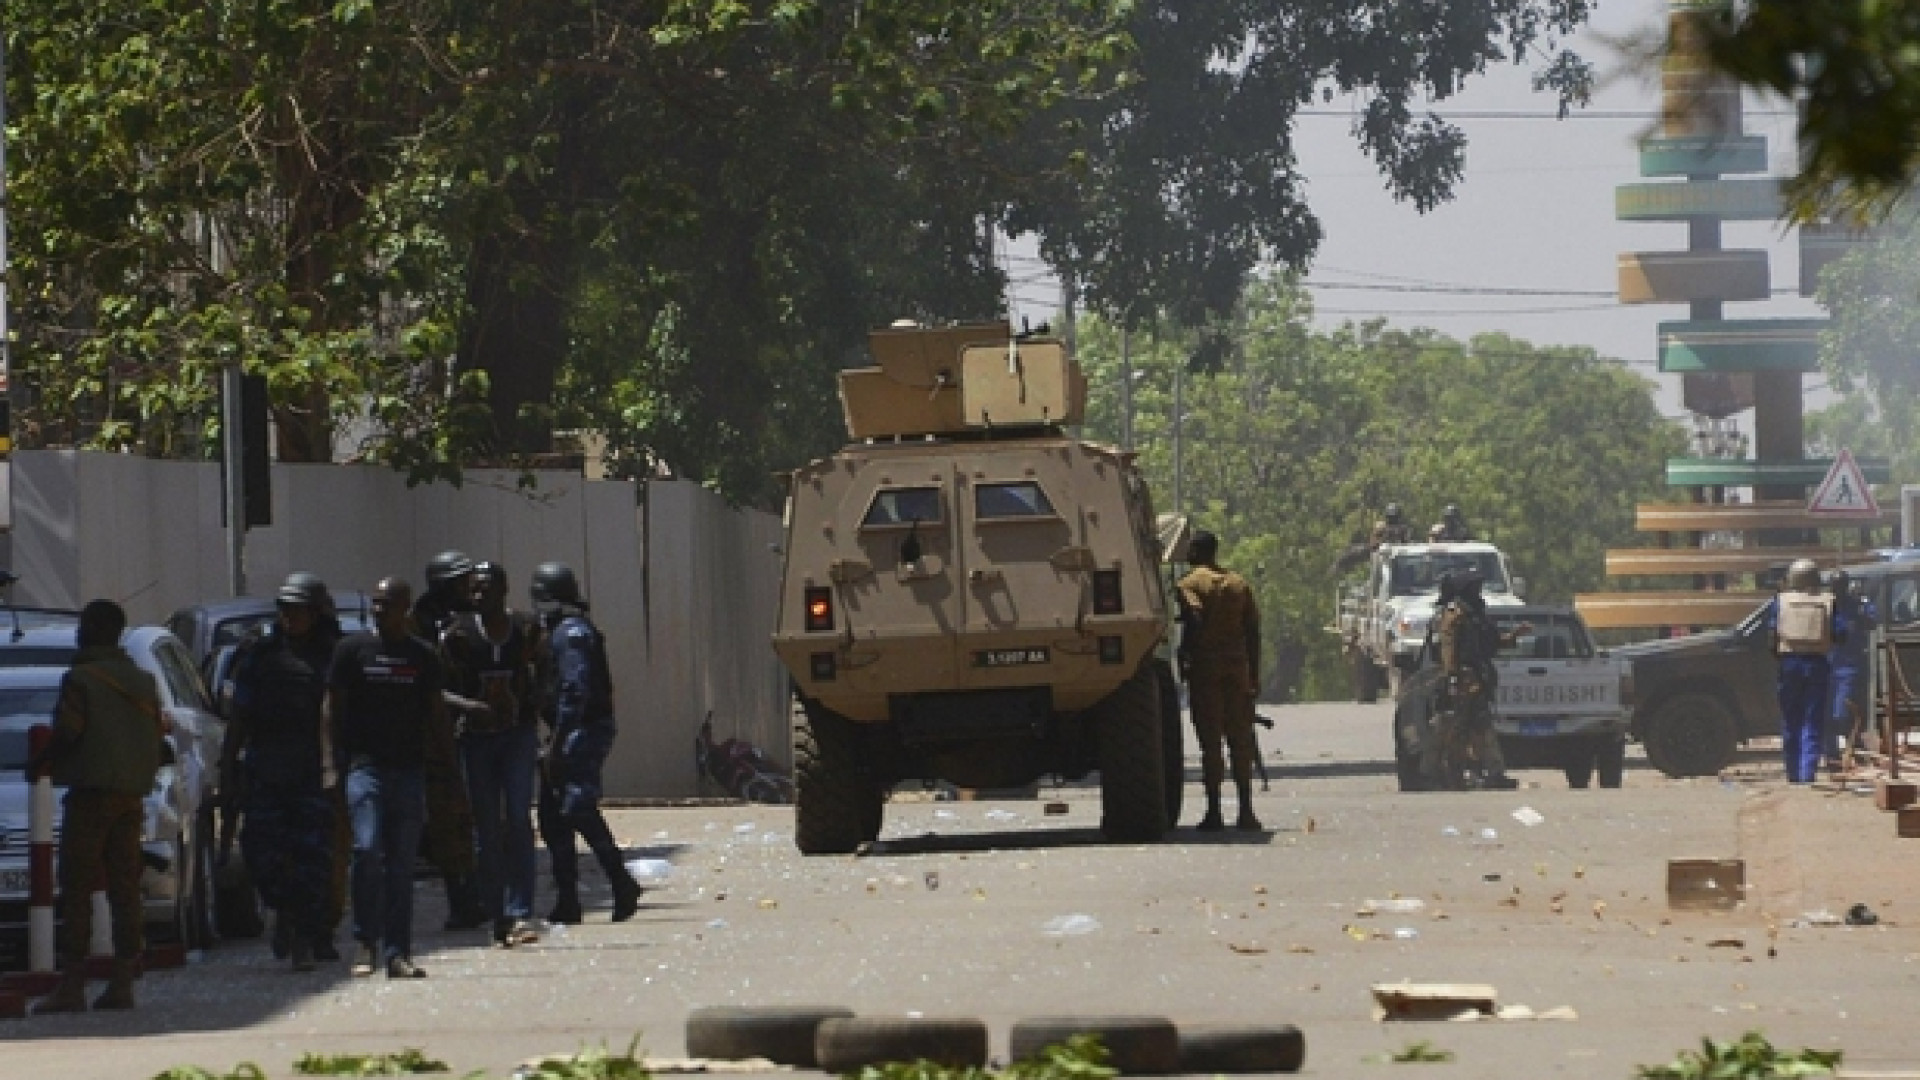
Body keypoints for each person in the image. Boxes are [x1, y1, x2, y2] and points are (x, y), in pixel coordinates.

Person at [34, 601, 164, 1013]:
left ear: (88, 631)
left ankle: (72, 983)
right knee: (125, 888)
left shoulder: (82, 678)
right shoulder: (143, 681)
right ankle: (122, 980)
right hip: (130, 797)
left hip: (90, 796)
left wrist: (42, 761)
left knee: (76, 887)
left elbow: (69, 731)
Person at [225, 573, 342, 972]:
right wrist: (229, 768)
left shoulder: (331, 655)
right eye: (285, 610)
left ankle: (305, 937)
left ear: (315, 612)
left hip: (312, 771)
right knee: (261, 855)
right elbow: (239, 714)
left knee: (313, 861)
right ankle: (285, 912)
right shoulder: (260, 654)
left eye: (298, 610)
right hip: (266, 770)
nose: (290, 618)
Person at [330, 578, 445, 978]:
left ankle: (398, 952)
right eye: (375, 603)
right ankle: (365, 943)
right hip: (366, 769)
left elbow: (435, 714)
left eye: (387, 603)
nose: (379, 610)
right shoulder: (351, 651)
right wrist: (334, 761)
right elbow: (334, 708)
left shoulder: (423, 656)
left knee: (401, 865)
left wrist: (442, 768)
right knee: (366, 850)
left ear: (405, 609)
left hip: (409, 770)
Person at [531, 562, 642, 923]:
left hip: (582, 729)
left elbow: (574, 690)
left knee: (577, 805)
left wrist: (559, 743)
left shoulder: (572, 634)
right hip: (568, 729)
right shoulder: (563, 631)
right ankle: (568, 900)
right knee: (552, 816)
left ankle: (620, 880)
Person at [441, 561, 543, 947]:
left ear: (503, 590)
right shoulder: (457, 637)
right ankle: (496, 912)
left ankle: (521, 911)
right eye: (474, 590)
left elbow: (545, 677)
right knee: (485, 828)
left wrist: (550, 734)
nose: (479, 596)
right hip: (476, 741)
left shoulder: (527, 630)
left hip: (517, 736)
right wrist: (467, 707)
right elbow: (438, 688)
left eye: (486, 588)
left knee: (517, 819)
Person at [411, 550, 486, 932]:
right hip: (435, 737)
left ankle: (480, 898)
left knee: (478, 818)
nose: (469, 588)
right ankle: (463, 900)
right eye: (460, 581)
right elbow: (426, 688)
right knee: (446, 821)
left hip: (475, 733)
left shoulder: (474, 619)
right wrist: (466, 706)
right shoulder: (419, 627)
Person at [1176, 531, 1263, 832]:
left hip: (1207, 670)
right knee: (1240, 740)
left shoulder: (1189, 584)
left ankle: (1214, 811)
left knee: (1211, 743)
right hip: (1237, 670)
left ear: (1198, 551)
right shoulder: (1238, 584)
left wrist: (1186, 653)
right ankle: (1246, 811)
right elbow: (1253, 632)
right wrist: (1254, 674)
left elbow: (1195, 617)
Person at [1433, 572, 1520, 790]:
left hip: (1478, 679)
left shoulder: (1477, 615)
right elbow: (1449, 647)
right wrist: (1453, 677)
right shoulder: (1455, 615)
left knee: (1483, 728)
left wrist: (1514, 636)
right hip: (1464, 679)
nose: (1479, 593)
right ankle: (1453, 775)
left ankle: (1494, 773)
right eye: (1475, 588)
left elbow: (1492, 641)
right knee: (1458, 730)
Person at [1763, 558, 1842, 784]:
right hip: (1817, 666)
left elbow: (1771, 637)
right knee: (1812, 721)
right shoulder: (1828, 601)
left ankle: (1792, 774)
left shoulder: (1781, 601)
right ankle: (1808, 775)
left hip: (1789, 665)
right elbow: (1841, 632)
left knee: (1790, 720)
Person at [1828, 571, 1878, 765]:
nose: (1836, 589)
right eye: (1833, 585)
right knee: (1828, 716)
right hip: (1828, 666)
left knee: (1843, 714)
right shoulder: (1827, 607)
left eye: (1839, 585)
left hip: (1849, 667)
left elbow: (1873, 620)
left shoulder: (1856, 606)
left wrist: (1863, 605)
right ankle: (1832, 756)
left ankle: (1855, 749)